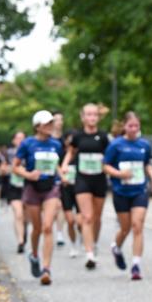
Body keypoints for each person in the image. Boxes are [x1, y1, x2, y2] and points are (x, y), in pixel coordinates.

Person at [104, 111, 152, 280]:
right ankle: (116, 247)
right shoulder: (116, 145)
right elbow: (105, 166)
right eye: (130, 126)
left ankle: (136, 265)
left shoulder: (144, 145)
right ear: (124, 126)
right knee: (125, 227)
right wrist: (119, 174)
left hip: (140, 190)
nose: (133, 129)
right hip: (121, 191)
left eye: (136, 126)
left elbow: (147, 165)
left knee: (138, 225)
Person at [13, 111, 63, 285]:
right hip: (33, 189)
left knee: (48, 227)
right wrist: (28, 174)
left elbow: (56, 165)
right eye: (47, 123)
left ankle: (46, 269)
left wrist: (61, 175)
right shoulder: (27, 144)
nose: (50, 126)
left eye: (52, 123)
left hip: (50, 188)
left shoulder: (56, 144)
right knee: (37, 228)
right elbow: (15, 167)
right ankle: (34, 255)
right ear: (38, 126)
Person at [63, 103, 111, 269]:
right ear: (83, 117)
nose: (91, 118)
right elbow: (70, 151)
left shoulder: (103, 137)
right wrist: (64, 165)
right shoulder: (77, 136)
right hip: (82, 179)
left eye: (94, 115)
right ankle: (89, 253)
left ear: (98, 117)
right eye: (88, 115)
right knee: (87, 217)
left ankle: (94, 242)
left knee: (97, 217)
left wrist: (109, 166)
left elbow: (110, 155)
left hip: (99, 180)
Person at [50, 110, 74, 250]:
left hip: (64, 176)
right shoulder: (47, 139)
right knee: (53, 206)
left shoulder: (65, 140)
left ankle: (59, 233)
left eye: (61, 119)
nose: (60, 122)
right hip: (49, 177)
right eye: (57, 119)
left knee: (60, 205)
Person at [5, 131, 28, 253]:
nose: (20, 141)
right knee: (18, 214)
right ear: (13, 141)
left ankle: (24, 232)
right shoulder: (8, 153)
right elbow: (2, 168)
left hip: (27, 187)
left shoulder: (30, 152)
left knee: (25, 217)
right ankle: (20, 241)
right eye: (18, 138)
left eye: (22, 138)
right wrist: (11, 169)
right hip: (13, 187)